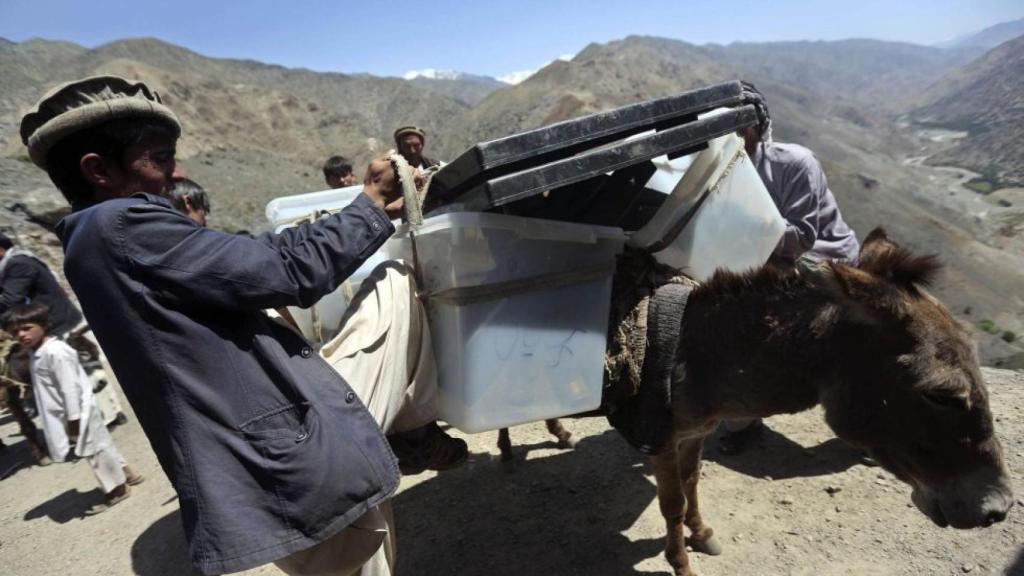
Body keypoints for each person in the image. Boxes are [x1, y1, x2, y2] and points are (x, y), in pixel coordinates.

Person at [20, 75, 465, 576]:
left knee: (366, 559)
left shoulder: (92, 240)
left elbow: (253, 257)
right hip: (287, 452)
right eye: (161, 157)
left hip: (271, 455)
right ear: (98, 170)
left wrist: (360, 214)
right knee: (394, 281)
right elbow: (288, 272)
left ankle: (406, 433)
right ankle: (408, 431)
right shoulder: (121, 225)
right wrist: (369, 201)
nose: (175, 172)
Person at [718, 81, 861, 455]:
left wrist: (737, 221)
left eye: (730, 128)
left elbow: (801, 239)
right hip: (765, 262)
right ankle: (743, 421)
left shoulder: (794, 163)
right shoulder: (721, 170)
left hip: (823, 262)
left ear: (749, 129)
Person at [7, 302, 143, 513]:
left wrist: (74, 419)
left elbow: (70, 389)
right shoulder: (37, 351)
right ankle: (127, 474)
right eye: (15, 332)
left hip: (78, 412)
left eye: (27, 328)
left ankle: (117, 491)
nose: (21, 335)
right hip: (70, 412)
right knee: (102, 445)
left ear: (43, 324)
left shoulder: (56, 352)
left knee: (95, 452)